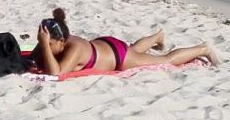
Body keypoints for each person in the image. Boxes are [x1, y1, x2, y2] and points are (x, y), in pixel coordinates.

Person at [29, 8, 218, 76]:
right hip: (106, 46)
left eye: (48, 43)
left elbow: (57, 73)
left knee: (165, 60)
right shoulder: (56, 39)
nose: (45, 44)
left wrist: (44, 45)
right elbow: (32, 59)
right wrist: (42, 43)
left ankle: (203, 48)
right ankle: (157, 37)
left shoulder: (74, 47)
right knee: (134, 50)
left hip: (119, 57)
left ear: (61, 41)